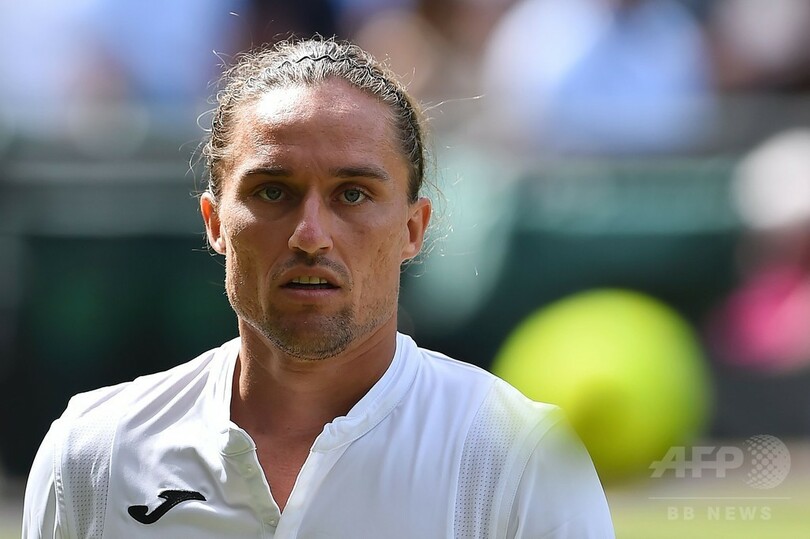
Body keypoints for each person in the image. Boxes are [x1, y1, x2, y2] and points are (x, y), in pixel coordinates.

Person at [22, 37, 614, 538]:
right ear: (215, 223)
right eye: (272, 192)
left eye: (352, 194)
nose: (310, 235)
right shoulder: (93, 453)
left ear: (413, 229)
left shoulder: (517, 458)